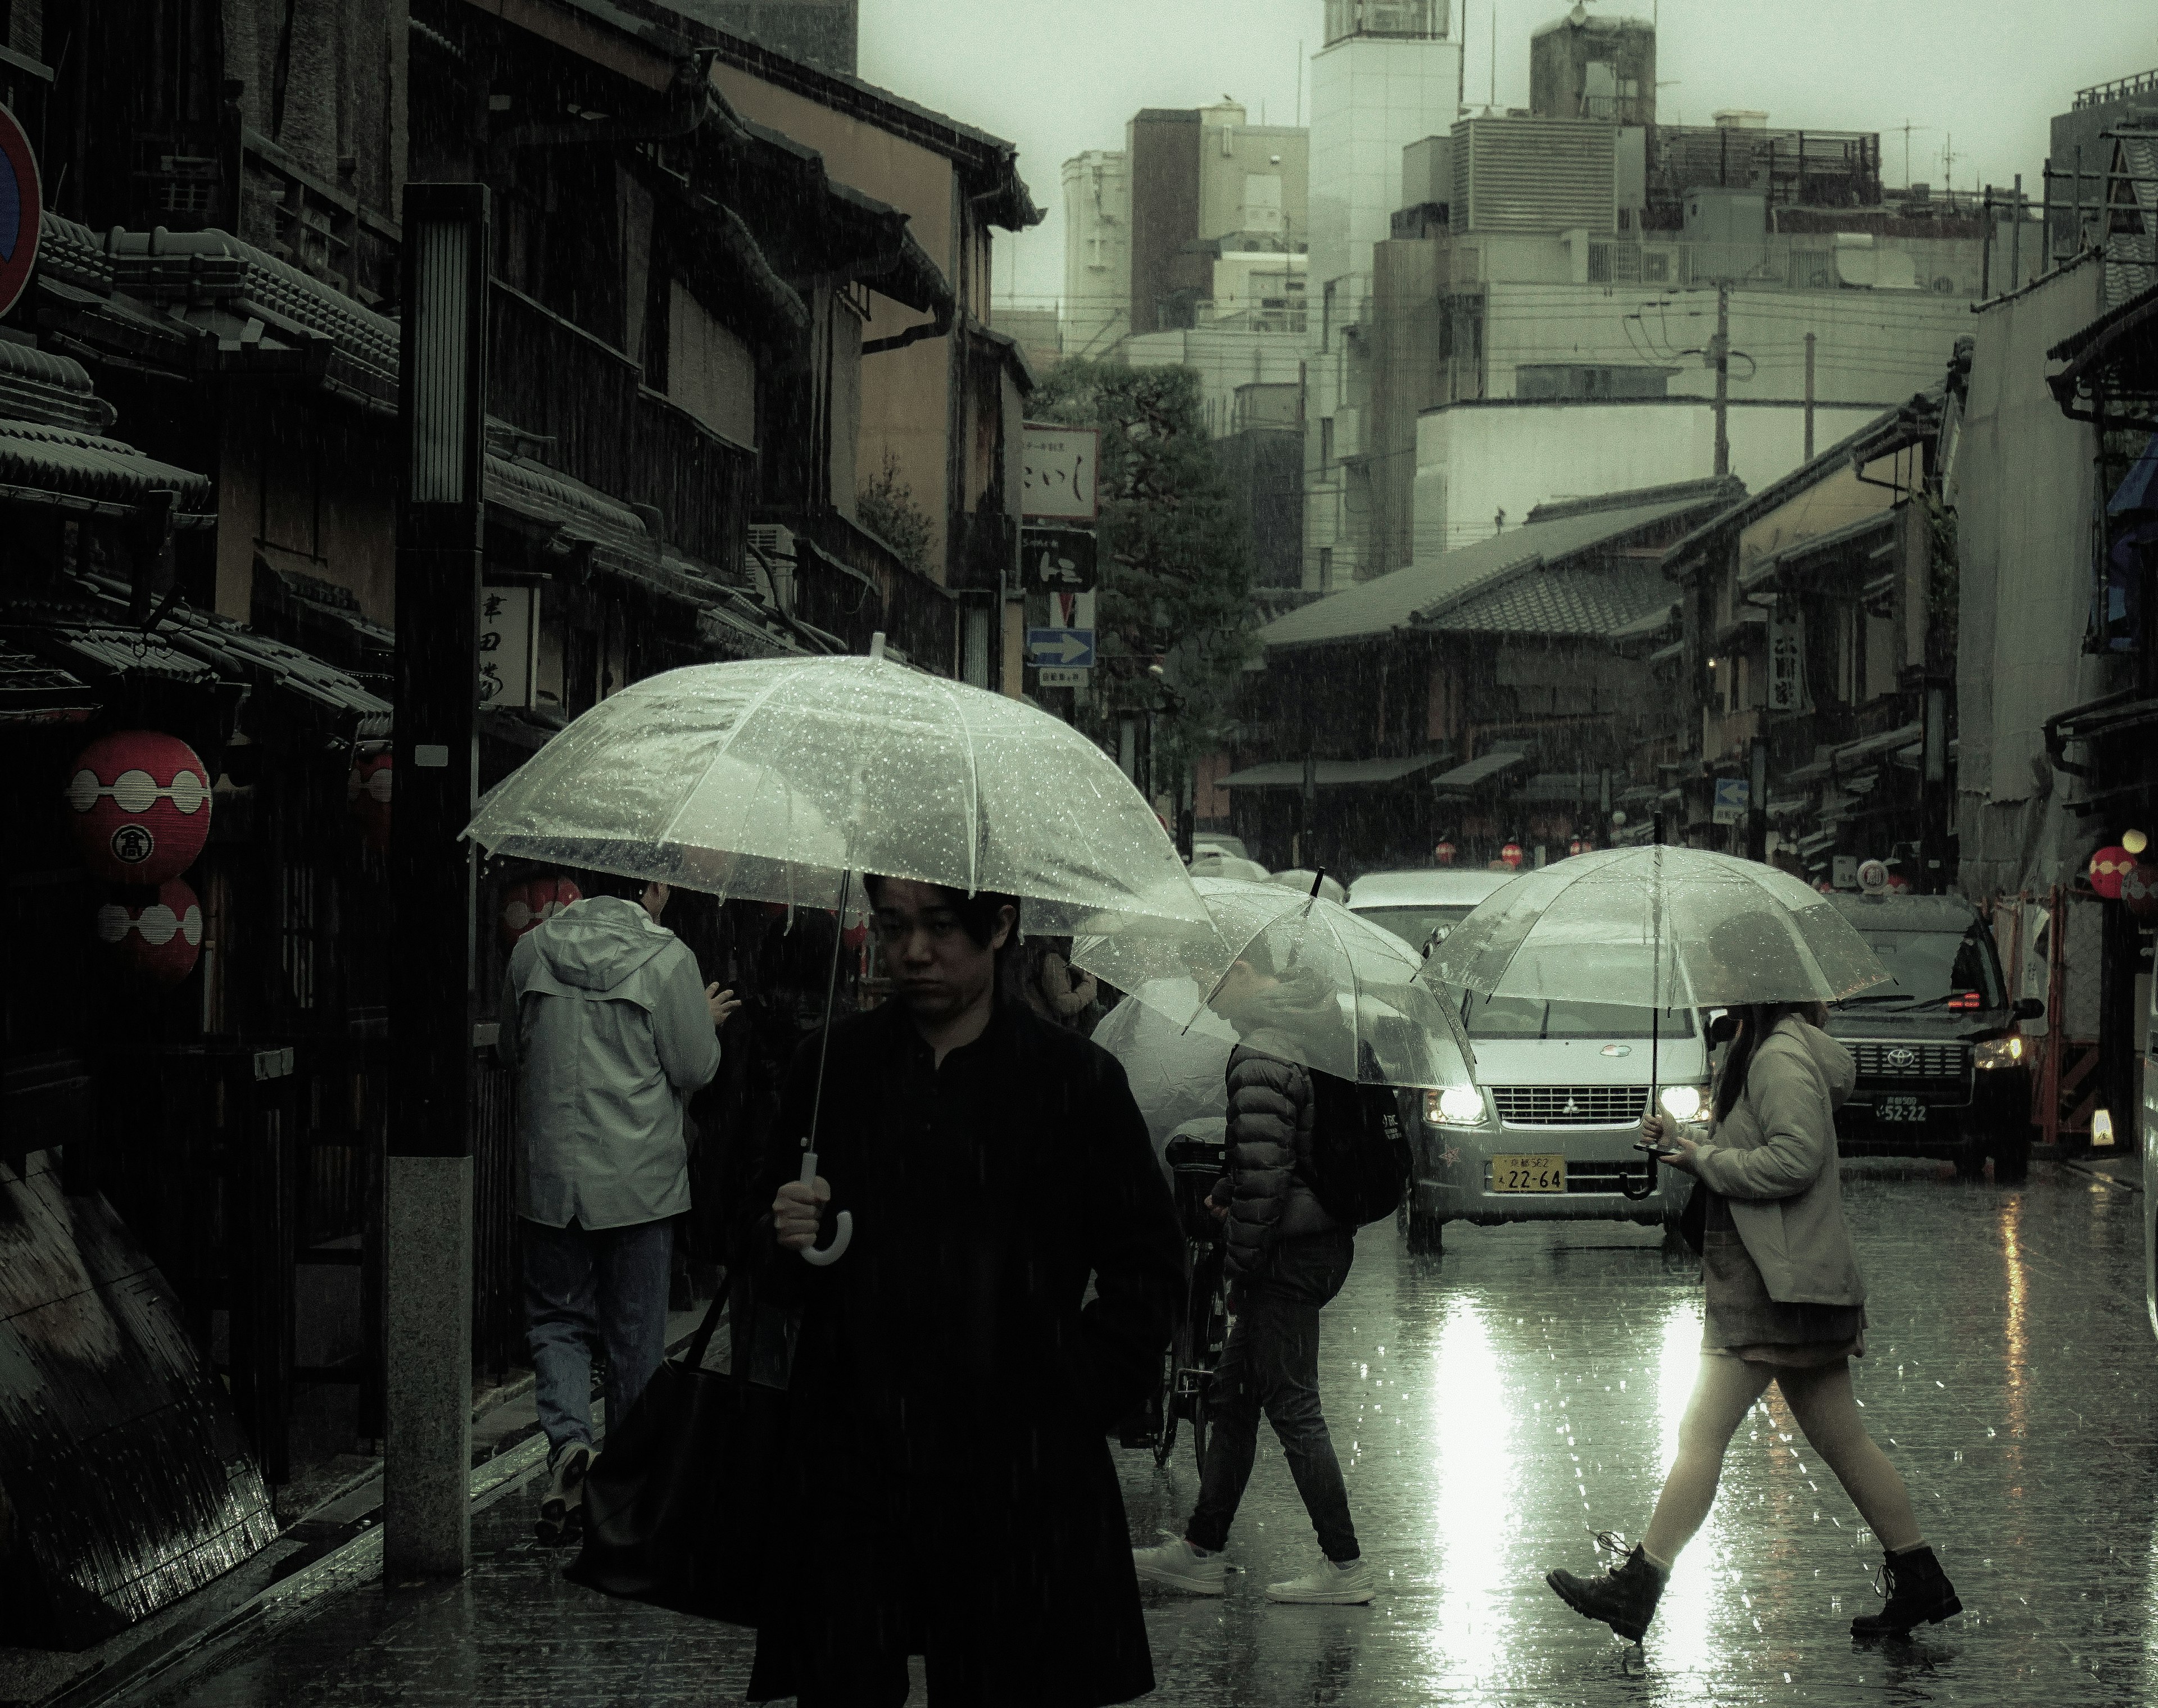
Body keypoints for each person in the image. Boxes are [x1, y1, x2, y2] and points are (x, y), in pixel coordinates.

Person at [743, 874, 1182, 1708]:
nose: (914, 952)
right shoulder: (835, 1070)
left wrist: (1066, 1395)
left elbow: (1149, 1270)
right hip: (856, 1466)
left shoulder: (1073, 1083)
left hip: (1014, 1480)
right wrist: (783, 1234)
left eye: (941, 927)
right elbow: (766, 1265)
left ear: (1001, 927)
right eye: (895, 925)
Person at [1544, 1000, 1961, 1644]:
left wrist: (1704, 1161)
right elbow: (1756, 1145)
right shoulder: (1762, 1049)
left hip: (1777, 1284)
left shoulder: (1779, 1056)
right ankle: (1919, 1573)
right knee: (1843, 1437)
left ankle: (1638, 1587)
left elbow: (1794, 1160)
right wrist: (1688, 1143)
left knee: (1700, 1431)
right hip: (1787, 1277)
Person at [498, 869, 737, 1545]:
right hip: (638, 1185)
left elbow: (513, 1047)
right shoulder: (668, 958)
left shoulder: (531, 950)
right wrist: (708, 1021)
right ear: (655, 887)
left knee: (556, 1320)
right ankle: (626, 1491)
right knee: (635, 1339)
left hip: (551, 1179)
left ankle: (571, 1446)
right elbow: (695, 1067)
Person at [1130, 953, 1375, 1606]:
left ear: (1241, 969)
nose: (1208, 998)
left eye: (1212, 980)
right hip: (1313, 1239)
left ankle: (1346, 1564)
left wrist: (1238, 1265)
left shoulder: (1262, 1050)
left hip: (1288, 1253)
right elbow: (1280, 1154)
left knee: (1294, 1407)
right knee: (1232, 1400)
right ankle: (1202, 1549)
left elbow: (1267, 1185)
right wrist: (1229, 1185)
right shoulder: (1314, 1026)